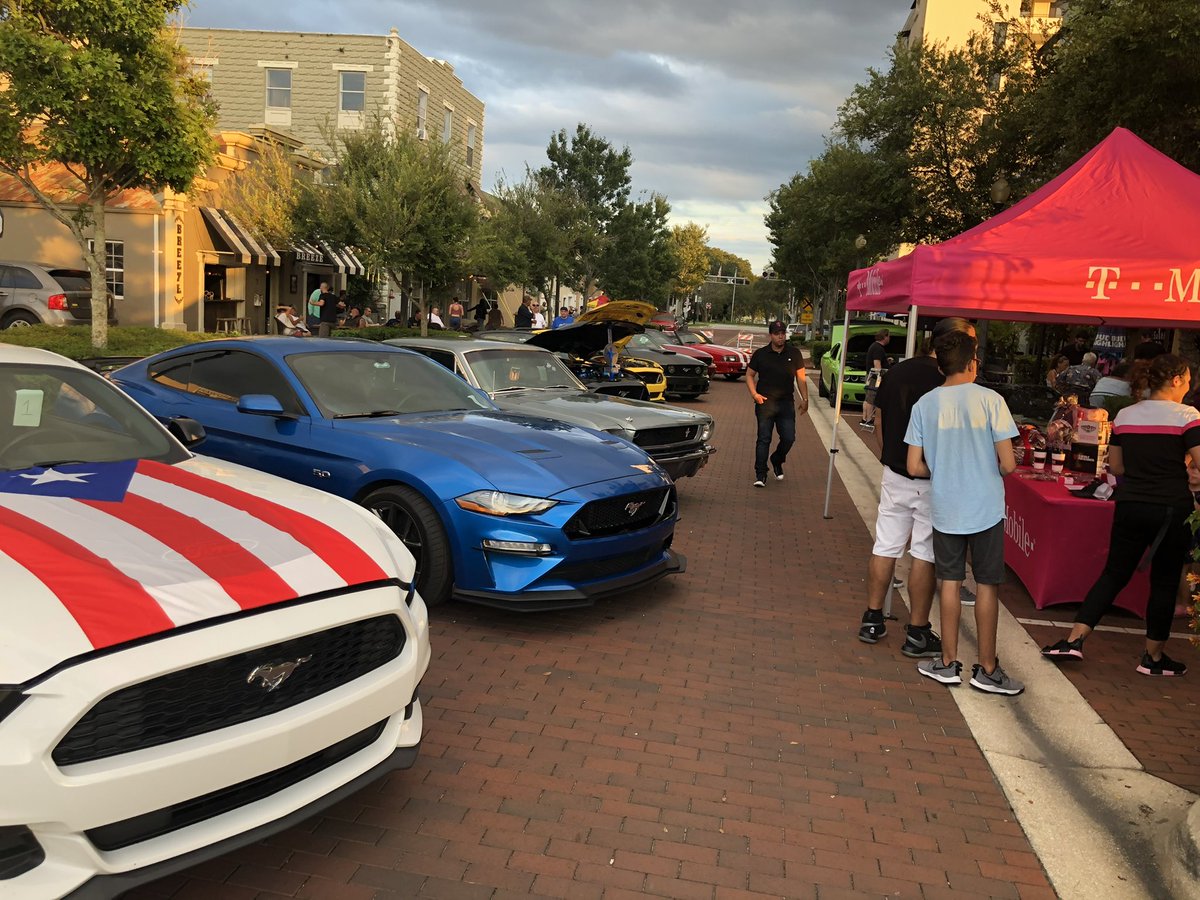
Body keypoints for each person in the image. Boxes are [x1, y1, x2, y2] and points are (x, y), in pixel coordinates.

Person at [1042, 354, 1200, 676]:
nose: (1188, 387)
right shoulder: (1188, 416)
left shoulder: (1126, 416)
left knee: (1114, 573)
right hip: (1171, 507)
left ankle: (1074, 640)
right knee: (1165, 580)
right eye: (1186, 381)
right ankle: (1153, 657)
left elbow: (1116, 466)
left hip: (1131, 504)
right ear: (1175, 380)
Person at [906, 329, 1022, 695]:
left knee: (950, 582)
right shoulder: (991, 400)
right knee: (987, 584)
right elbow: (1008, 464)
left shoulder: (924, 404)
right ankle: (987, 668)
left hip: (946, 505)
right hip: (985, 506)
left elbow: (913, 465)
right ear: (973, 362)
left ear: (941, 365)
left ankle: (947, 662)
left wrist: (945, 468)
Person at [858, 318, 975, 656]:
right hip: (933, 476)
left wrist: (887, 455)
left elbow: (879, 418)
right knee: (924, 553)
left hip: (895, 472)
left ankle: (872, 618)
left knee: (886, 544)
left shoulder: (898, 371)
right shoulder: (951, 380)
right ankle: (918, 631)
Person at [746, 320, 808, 487]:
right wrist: (754, 394)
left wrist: (805, 399)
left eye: (782, 333)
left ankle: (777, 459)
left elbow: (801, 378)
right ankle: (760, 474)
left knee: (789, 438)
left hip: (786, 403)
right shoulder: (761, 354)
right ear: (771, 335)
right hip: (765, 403)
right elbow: (749, 375)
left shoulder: (794, 353)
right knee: (764, 438)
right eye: (777, 334)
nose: (781, 337)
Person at [858, 330, 891, 432]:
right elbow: (877, 364)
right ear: (885, 337)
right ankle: (868, 420)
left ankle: (864, 418)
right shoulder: (878, 349)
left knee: (868, 397)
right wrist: (881, 378)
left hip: (871, 376)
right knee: (871, 399)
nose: (889, 338)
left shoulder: (874, 346)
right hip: (874, 377)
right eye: (889, 336)